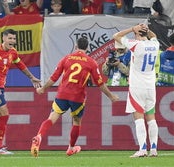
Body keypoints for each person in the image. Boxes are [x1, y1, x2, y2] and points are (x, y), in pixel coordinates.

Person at [30, 37, 119, 157]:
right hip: (78, 97)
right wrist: (111, 96)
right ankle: (71, 148)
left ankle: (39, 136)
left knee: (51, 118)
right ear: (87, 48)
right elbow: (100, 83)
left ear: (76, 46)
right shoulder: (91, 62)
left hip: (62, 94)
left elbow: (54, 78)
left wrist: (43, 88)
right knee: (76, 121)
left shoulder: (66, 58)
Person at [113, 23, 160, 157]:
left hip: (137, 86)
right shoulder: (155, 44)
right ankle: (154, 149)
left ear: (137, 34)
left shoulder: (136, 45)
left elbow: (116, 36)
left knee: (138, 117)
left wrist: (133, 28)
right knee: (151, 118)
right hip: (151, 86)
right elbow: (154, 36)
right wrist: (146, 29)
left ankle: (143, 148)